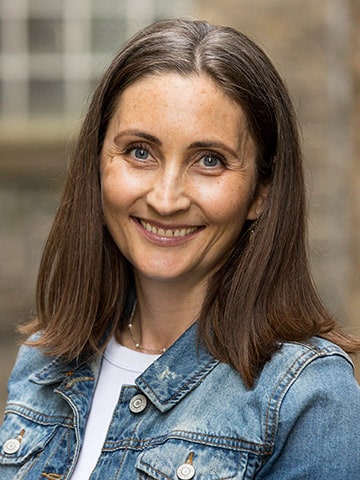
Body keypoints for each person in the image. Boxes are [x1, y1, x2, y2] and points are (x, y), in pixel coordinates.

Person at [1, 18, 359, 479]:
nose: (166, 199)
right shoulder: (45, 360)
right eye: (139, 152)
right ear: (97, 162)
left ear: (261, 191)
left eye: (209, 160)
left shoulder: (304, 396)